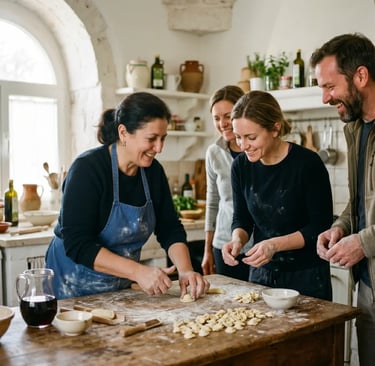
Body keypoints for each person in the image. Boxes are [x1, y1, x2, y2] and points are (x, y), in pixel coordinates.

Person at [46, 92, 210, 300]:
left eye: (163, 139)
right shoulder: (88, 169)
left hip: (117, 289)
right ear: (123, 133)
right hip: (70, 288)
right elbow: (78, 244)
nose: (159, 148)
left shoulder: (153, 172)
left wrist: (186, 269)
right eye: (151, 139)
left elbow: (169, 228)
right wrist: (138, 271)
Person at [222, 90, 333, 300]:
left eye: (251, 137)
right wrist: (237, 240)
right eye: (238, 137)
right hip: (261, 275)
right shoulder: (241, 166)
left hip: (307, 276)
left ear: (275, 128)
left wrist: (275, 245)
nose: (243, 145)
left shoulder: (308, 164)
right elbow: (242, 219)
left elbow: (319, 227)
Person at [312, 33, 375, 366]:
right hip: (367, 286)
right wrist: (341, 226)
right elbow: (361, 202)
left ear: (360, 76)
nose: (324, 97)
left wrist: (363, 242)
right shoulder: (355, 129)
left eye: (330, 86)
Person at [202, 85, 250, 281]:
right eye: (216, 118)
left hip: (259, 246)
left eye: (227, 116)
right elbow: (212, 203)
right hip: (224, 246)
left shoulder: (257, 149)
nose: (222, 123)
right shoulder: (214, 153)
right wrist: (208, 250)